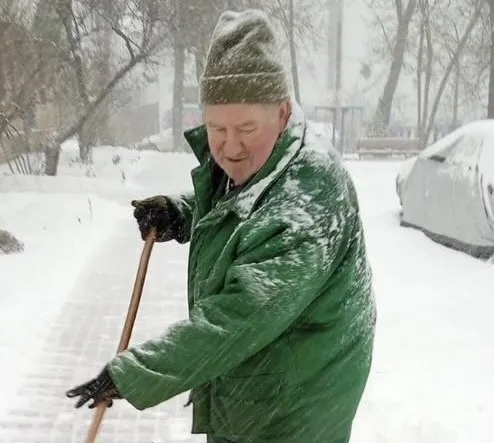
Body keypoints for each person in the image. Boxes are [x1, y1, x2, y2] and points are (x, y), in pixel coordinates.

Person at [66, 8, 376, 443]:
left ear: (282, 113)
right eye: (217, 128)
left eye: (246, 128)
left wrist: (134, 374)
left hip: (299, 399)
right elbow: (244, 207)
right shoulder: (266, 162)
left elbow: (238, 317)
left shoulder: (313, 190)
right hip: (259, 375)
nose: (230, 148)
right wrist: (181, 212)